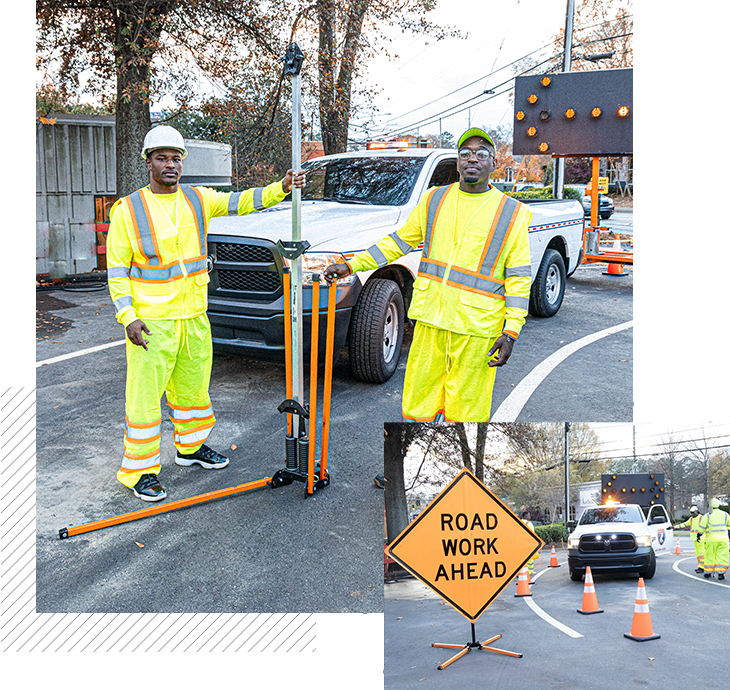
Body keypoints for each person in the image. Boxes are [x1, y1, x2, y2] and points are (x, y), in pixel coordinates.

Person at [107, 124, 305, 501]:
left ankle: (191, 448)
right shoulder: (128, 210)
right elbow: (116, 270)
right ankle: (140, 472)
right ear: (148, 163)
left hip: (195, 318)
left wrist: (281, 186)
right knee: (145, 400)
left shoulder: (198, 199)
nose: (170, 164)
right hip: (152, 323)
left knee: (193, 391)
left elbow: (243, 202)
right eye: (162, 158)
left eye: (176, 158)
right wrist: (128, 317)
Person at [323, 127, 532, 422]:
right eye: (465, 153)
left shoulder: (512, 213)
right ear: (458, 161)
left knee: (467, 412)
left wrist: (511, 332)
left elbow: (519, 278)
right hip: (431, 322)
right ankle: (413, 463)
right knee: (418, 405)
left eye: (481, 154)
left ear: (493, 163)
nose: (472, 159)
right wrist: (354, 264)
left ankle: (462, 466)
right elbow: (398, 241)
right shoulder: (435, 199)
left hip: (476, 330)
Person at [699, 498, 730, 580]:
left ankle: (708, 573)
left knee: (710, 556)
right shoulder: (725, 514)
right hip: (723, 540)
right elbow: (729, 526)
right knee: (722, 556)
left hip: (711, 540)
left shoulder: (707, 516)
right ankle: (721, 574)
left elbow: (702, 528)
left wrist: (699, 535)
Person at [675, 504, 705, 573]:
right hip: (695, 539)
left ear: (697, 511)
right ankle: (700, 566)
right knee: (698, 554)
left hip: (701, 538)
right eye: (691, 513)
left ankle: (702, 567)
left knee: (701, 553)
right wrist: (674, 527)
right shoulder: (691, 519)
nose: (692, 514)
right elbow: (684, 524)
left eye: (693, 513)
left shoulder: (702, 518)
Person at [521, 510, 539, 578]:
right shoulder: (529, 523)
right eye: (529, 515)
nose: (530, 516)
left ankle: (520, 571)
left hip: (519, 543)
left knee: (521, 558)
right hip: (527, 543)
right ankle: (529, 571)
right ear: (526, 516)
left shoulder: (519, 521)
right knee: (530, 558)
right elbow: (532, 535)